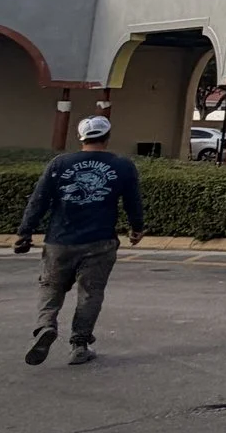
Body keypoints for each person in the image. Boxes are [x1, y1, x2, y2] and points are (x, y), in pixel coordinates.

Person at [14, 115, 144, 366]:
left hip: (59, 240)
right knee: (90, 293)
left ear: (81, 138)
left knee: (50, 286)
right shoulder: (123, 165)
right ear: (106, 138)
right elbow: (132, 202)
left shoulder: (60, 164)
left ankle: (45, 326)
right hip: (100, 240)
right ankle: (79, 344)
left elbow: (39, 200)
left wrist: (24, 232)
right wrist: (137, 228)